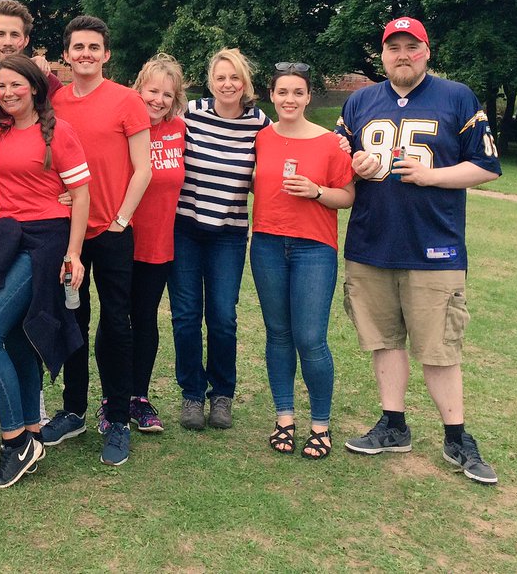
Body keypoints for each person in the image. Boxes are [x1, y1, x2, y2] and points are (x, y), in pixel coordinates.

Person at [337, 17, 502, 484]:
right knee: (383, 340)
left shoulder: (456, 96)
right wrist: (354, 162)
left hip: (435, 245)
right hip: (371, 242)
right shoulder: (361, 100)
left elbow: (486, 166)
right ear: (382, 54)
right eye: (394, 47)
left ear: (426, 51)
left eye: (412, 46)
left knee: (439, 348)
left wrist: (433, 176)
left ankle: (456, 436)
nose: (402, 54)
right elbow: (337, 156)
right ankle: (394, 424)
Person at [0, 56, 90, 487]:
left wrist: (73, 254)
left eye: (15, 84)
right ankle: (33, 432)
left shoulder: (58, 132)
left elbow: (80, 194)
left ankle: (15, 439)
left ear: (35, 87)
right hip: (8, 238)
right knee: (16, 340)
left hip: (45, 244)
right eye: (0, 87)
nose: (7, 93)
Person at [44, 15, 151, 467]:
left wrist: (122, 220)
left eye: (94, 47)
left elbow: (142, 167)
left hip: (112, 231)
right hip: (69, 234)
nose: (85, 54)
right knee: (74, 321)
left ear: (106, 55)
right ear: (65, 55)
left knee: (116, 325)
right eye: (77, 47)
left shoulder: (127, 100)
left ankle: (119, 417)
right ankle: (74, 410)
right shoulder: (54, 102)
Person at [250, 63, 355, 460]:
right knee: (278, 334)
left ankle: (321, 425)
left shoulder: (330, 143)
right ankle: (284, 419)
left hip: (314, 248)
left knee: (310, 339)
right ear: (271, 96)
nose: (289, 99)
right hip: (267, 244)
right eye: (282, 92)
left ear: (309, 97)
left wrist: (315, 191)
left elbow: (347, 196)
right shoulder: (261, 138)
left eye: (297, 92)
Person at [169, 48, 269, 431]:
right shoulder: (192, 113)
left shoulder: (259, 123)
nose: (228, 84)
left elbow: (280, 155)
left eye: (235, 78)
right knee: (186, 316)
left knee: (223, 317)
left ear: (245, 83)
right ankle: (192, 394)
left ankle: (222, 394)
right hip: (185, 228)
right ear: (210, 82)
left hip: (228, 232)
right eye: (220, 77)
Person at [92, 53, 186, 435]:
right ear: (138, 89)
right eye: (152, 90)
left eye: (167, 94)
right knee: (115, 319)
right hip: (117, 237)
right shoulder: (121, 125)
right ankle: (109, 399)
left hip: (158, 242)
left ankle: (138, 398)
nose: (158, 99)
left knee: (144, 319)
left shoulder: (181, 129)